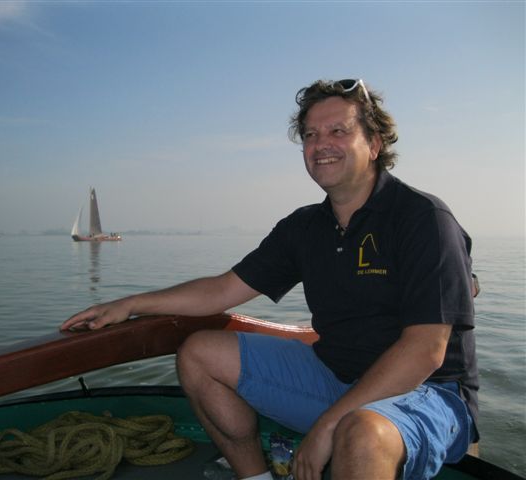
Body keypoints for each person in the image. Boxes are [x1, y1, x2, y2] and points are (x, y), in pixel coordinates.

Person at [61, 79, 478, 480]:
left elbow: (425, 351)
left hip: (426, 392)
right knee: (199, 353)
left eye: (338, 131)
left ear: (374, 145)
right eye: (310, 135)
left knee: (361, 433)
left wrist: (329, 424)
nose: (321, 144)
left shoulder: (423, 218)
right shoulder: (305, 227)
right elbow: (223, 289)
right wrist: (131, 303)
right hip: (334, 376)